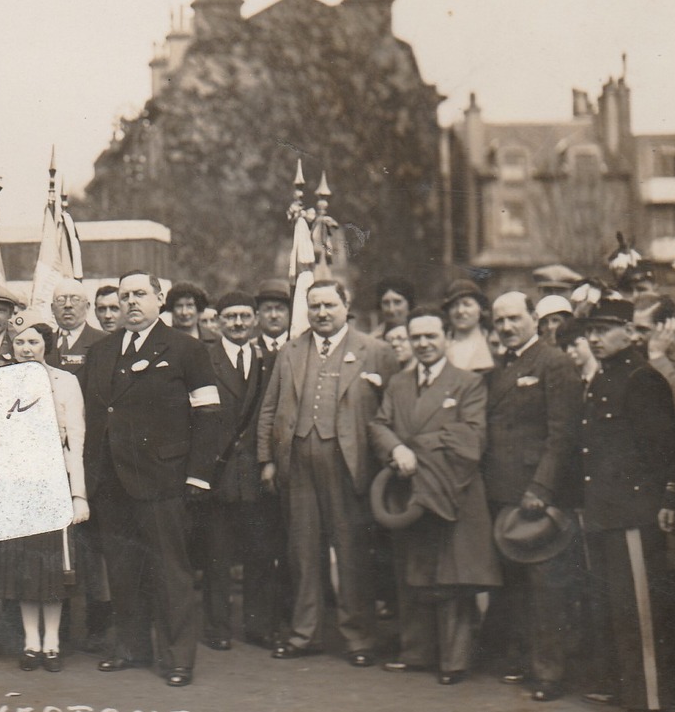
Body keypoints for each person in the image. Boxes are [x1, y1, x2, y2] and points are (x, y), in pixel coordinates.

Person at [81, 271, 223, 688]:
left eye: (140, 294)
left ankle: (178, 658)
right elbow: (92, 418)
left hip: (165, 479)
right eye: (124, 296)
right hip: (111, 481)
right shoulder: (102, 351)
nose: (131, 303)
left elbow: (209, 416)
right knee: (123, 570)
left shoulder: (187, 350)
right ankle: (131, 646)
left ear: (160, 299)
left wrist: (198, 476)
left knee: (170, 571)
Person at [257, 278, 399, 666]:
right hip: (298, 461)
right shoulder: (290, 351)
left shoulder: (375, 351)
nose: (321, 313)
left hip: (349, 463)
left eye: (329, 306)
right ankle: (306, 633)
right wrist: (267, 459)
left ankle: (359, 638)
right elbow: (269, 409)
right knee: (302, 551)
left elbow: (393, 411)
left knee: (352, 550)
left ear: (345, 306)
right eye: (314, 306)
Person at [369, 309, 500, 685]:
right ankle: (416, 652)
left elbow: (471, 439)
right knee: (414, 569)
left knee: (451, 577)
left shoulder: (468, 383)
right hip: (410, 491)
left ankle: (455, 661)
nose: (423, 344)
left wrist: (414, 447)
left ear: (446, 337)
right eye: (417, 337)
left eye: (431, 336)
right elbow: (379, 424)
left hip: (453, 490)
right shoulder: (398, 383)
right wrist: (395, 450)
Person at [576, 298, 675, 712]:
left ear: (627, 331)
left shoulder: (641, 378)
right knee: (614, 603)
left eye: (604, 330)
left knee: (639, 607)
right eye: (592, 331)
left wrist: (664, 500)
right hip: (605, 508)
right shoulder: (604, 377)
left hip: (634, 510)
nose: (595, 338)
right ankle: (627, 686)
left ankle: (649, 698)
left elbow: (662, 451)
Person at [476, 292, 582, 701]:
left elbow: (563, 433)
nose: (506, 327)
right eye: (500, 320)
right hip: (503, 493)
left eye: (514, 319)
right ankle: (522, 660)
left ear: (533, 319)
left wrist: (542, 487)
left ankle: (550, 673)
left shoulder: (553, 362)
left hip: (536, 494)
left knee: (546, 587)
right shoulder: (502, 367)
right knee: (515, 584)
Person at [0, 310, 88, 672]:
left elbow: (76, 440)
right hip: (16, 488)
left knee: (51, 571)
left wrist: (77, 494)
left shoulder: (65, 382)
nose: (26, 348)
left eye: (34, 341)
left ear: (45, 345)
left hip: (54, 485)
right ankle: (30, 642)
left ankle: (51, 642)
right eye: (19, 342)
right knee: (24, 570)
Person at [193, 291, 284, 650]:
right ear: (217, 321)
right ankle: (217, 627)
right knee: (217, 555)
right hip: (220, 473)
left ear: (255, 320)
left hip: (257, 473)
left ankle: (258, 625)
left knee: (260, 554)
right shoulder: (205, 358)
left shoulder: (269, 360)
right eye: (230, 317)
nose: (239, 323)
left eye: (245, 316)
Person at [632, 293, 675, 408]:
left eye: (642, 330)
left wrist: (658, 357)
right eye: (632, 329)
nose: (633, 337)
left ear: (666, 327)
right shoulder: (636, 353)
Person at [442, 279, 496, 372]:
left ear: (480, 309)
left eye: (467, 304)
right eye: (454, 305)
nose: (460, 311)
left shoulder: (494, 343)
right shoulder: (442, 346)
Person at [49, 279, 100, 374]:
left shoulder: (103, 341)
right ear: (52, 308)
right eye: (61, 300)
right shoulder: (44, 342)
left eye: (75, 299)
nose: (68, 305)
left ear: (87, 306)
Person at [254, 279, 293, 354]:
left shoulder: (299, 348)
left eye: (280, 309)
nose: (273, 316)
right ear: (258, 315)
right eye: (267, 309)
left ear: (289, 313)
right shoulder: (250, 349)